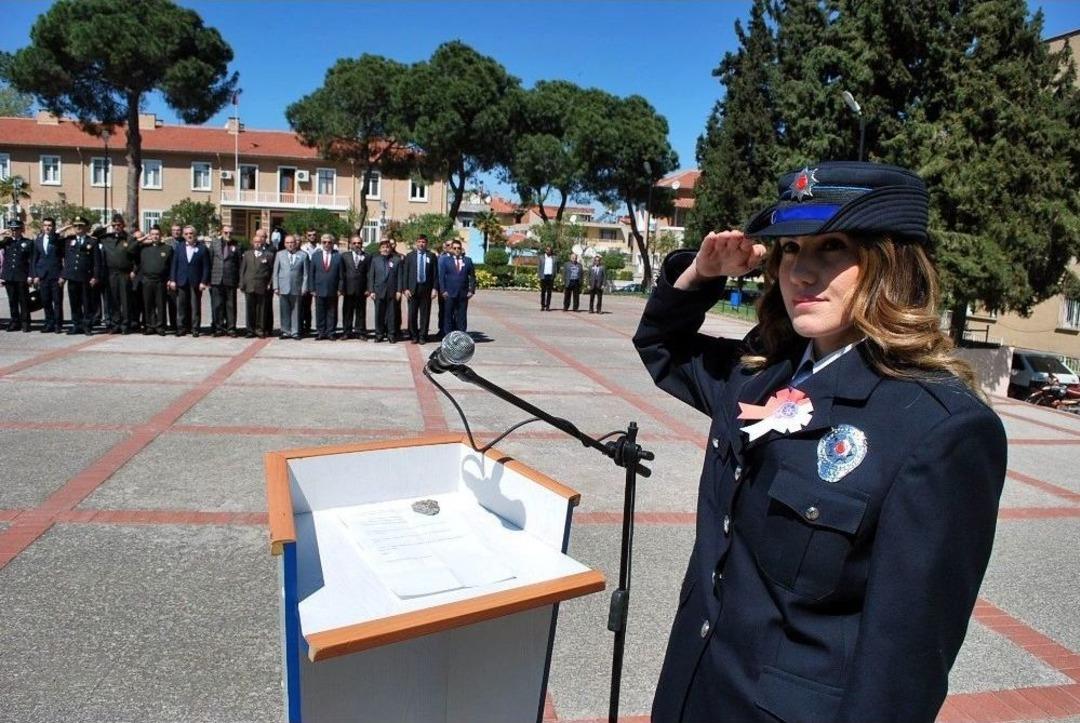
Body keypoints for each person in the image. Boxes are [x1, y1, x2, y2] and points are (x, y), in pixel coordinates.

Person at [634, 162, 1007, 723]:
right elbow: (664, 347)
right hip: (695, 690)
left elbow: (901, 669)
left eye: (832, 248)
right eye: (789, 249)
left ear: (892, 265)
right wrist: (702, 274)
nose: (801, 272)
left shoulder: (939, 428)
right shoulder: (761, 371)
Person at [60, 216, 104, 335]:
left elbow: (97, 262)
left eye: (80, 226)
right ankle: (76, 325)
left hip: (86, 278)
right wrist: (64, 276)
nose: (78, 228)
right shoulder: (68, 241)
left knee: (87, 303)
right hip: (73, 277)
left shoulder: (92, 241)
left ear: (85, 227)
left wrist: (95, 276)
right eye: (75, 226)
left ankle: (87, 326)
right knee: (74, 303)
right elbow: (67, 260)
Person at [168, 226, 210, 336]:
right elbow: (174, 265)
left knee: (195, 306)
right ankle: (181, 328)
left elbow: (206, 267)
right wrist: (172, 279)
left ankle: (195, 328)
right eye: (186, 234)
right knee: (180, 306)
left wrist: (203, 281)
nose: (189, 236)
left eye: (191, 233)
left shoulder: (202, 248)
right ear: (183, 235)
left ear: (195, 234)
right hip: (181, 281)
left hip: (196, 282)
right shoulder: (179, 247)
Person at [99, 214, 138, 334]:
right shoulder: (106, 238)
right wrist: (106, 226)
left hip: (124, 273)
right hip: (111, 274)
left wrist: (134, 271)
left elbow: (137, 257)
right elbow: (94, 235)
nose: (116, 227)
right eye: (114, 225)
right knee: (113, 300)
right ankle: (115, 324)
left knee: (125, 301)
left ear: (123, 225)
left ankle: (125, 325)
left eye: (119, 225)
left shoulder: (129, 239)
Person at [401, 234, 438, 344]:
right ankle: (414, 335)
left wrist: (435, 288)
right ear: (416, 243)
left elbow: (435, 274)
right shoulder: (410, 256)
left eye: (423, 242)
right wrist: (405, 288)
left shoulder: (431, 256)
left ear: (426, 244)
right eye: (419, 241)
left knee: (425, 314)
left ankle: (423, 335)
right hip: (412, 289)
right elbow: (405, 273)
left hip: (426, 289)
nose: (421, 244)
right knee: (412, 314)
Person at [31, 216, 65, 333]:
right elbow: (34, 259)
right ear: (42, 226)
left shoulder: (58, 240)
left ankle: (58, 324)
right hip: (43, 275)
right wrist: (35, 275)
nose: (47, 227)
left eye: (50, 225)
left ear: (54, 227)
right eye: (45, 225)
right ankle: (49, 323)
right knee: (45, 301)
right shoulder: (38, 240)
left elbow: (65, 259)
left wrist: (62, 275)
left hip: (56, 276)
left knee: (57, 301)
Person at [271, 234, 308, 340]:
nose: (290, 244)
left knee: (296, 310)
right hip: (283, 287)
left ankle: (295, 331)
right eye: (287, 243)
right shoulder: (279, 254)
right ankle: (285, 331)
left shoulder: (303, 255)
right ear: (284, 244)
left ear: (295, 243)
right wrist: (276, 286)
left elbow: (306, 274)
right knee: (284, 310)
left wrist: (304, 287)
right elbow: (276, 272)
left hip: (297, 287)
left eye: (292, 242)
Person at [240, 228, 274, 338]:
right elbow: (242, 270)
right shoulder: (247, 254)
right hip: (249, 285)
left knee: (261, 310)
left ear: (262, 243)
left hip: (262, 286)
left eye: (259, 242)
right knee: (250, 309)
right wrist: (241, 283)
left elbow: (272, 271)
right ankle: (250, 330)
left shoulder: (268, 255)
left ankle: (260, 329)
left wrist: (270, 283)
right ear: (252, 243)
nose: (257, 244)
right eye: (255, 242)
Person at [138, 225, 172, 336]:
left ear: (161, 235)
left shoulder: (167, 248)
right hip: (147, 280)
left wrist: (170, 279)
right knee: (148, 304)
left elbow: (172, 266)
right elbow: (130, 247)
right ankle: (149, 326)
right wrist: (143, 239)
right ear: (150, 235)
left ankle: (160, 326)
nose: (155, 236)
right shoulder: (143, 248)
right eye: (152, 234)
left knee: (161, 304)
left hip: (161, 281)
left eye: (157, 234)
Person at [0, 218, 33, 331]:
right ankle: (15, 322)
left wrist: (30, 275)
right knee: (12, 300)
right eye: (12, 229)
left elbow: (32, 260)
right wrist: (1, 233)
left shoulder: (28, 243)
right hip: (9, 276)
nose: (14, 231)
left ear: (21, 230)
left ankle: (26, 322)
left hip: (22, 275)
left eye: (16, 229)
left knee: (24, 300)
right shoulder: (6, 241)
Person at [437, 239, 476, 336]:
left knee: (461, 316)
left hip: (463, 294)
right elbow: (441, 277)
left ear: (461, 249)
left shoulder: (468, 261)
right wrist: (443, 291)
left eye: (458, 248)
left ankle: (461, 336)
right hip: (449, 293)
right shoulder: (445, 261)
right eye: (454, 248)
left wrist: (471, 290)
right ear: (451, 249)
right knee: (448, 316)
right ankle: (448, 337)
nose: (457, 250)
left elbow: (472, 276)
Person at [209, 224, 241, 337]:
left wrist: (239, 281)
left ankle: (231, 328)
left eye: (230, 233)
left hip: (231, 279)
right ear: (221, 232)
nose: (228, 235)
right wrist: (208, 279)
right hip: (216, 279)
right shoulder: (214, 243)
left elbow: (239, 263)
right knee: (217, 305)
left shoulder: (237, 245)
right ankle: (218, 327)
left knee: (231, 305)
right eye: (226, 232)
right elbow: (210, 261)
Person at [310, 233, 343, 340]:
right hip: (319, 289)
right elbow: (311, 274)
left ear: (333, 243)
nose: (327, 244)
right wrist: (312, 288)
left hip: (333, 289)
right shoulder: (315, 256)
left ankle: (331, 332)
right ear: (321, 243)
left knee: (332, 312)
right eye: (324, 242)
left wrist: (340, 288)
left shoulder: (338, 256)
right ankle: (321, 332)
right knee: (320, 311)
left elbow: (341, 275)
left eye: (329, 242)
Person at [366, 239, 400, 343]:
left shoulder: (396, 260)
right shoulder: (375, 260)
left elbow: (400, 276)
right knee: (379, 314)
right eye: (383, 247)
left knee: (391, 314)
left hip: (392, 291)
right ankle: (379, 334)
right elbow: (371, 276)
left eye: (387, 247)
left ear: (391, 248)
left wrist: (399, 291)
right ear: (380, 249)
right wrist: (371, 290)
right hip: (378, 291)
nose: (385, 249)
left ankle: (391, 334)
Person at [341, 235, 370, 340]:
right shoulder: (345, 256)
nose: (357, 245)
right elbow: (342, 273)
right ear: (350, 244)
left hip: (362, 289)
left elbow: (369, 274)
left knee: (361, 312)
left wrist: (368, 288)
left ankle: (360, 332)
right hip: (348, 289)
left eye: (359, 243)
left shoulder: (367, 256)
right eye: (354, 243)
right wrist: (341, 288)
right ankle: (346, 332)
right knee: (347, 312)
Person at [299, 228, 318, 337]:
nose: (312, 237)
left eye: (314, 235)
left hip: (318, 280)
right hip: (306, 279)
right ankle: (305, 326)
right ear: (306, 237)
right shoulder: (302, 248)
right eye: (309, 235)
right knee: (305, 305)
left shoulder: (321, 248)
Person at [163, 223, 182, 333]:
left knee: (183, 302)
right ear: (171, 231)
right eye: (174, 230)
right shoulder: (167, 243)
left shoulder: (184, 242)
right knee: (172, 302)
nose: (176, 232)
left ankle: (183, 323)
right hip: (170, 276)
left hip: (182, 276)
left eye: (178, 230)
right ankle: (173, 324)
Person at [538, 245, 558, 310]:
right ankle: (542, 305)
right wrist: (539, 275)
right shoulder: (541, 257)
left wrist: (555, 275)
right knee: (543, 292)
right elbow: (539, 267)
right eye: (547, 250)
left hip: (550, 277)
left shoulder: (554, 258)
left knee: (549, 293)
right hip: (543, 276)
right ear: (545, 250)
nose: (548, 251)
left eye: (550, 250)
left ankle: (548, 306)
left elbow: (556, 267)